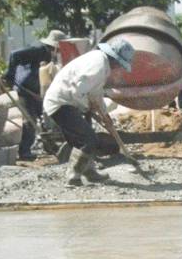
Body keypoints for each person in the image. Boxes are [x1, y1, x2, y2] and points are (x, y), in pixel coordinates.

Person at [43, 38, 134, 186]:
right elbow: (77, 92)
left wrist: (105, 115)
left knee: (82, 139)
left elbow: (95, 93)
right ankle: (73, 175)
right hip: (60, 103)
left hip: (70, 101)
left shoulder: (102, 64)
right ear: (115, 59)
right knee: (88, 139)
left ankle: (89, 171)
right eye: (120, 64)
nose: (120, 68)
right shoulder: (98, 65)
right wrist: (86, 108)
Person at [3, 29, 67, 160]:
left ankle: (48, 145)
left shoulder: (51, 56)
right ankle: (24, 152)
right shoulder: (39, 51)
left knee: (42, 118)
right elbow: (14, 54)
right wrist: (10, 75)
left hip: (36, 92)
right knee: (30, 120)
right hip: (25, 90)